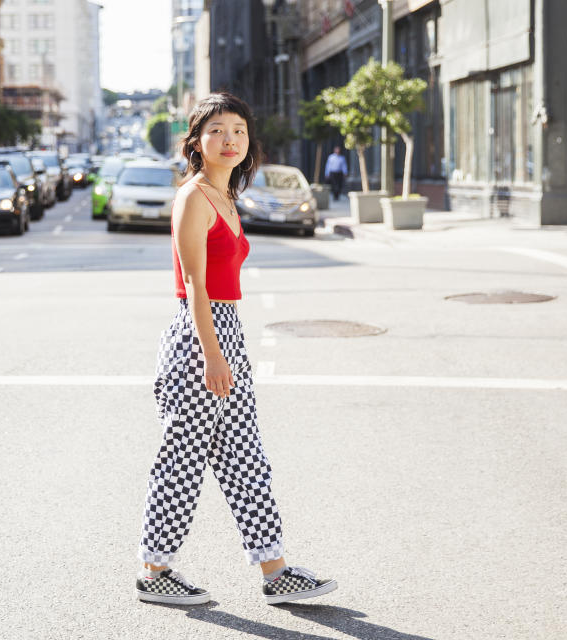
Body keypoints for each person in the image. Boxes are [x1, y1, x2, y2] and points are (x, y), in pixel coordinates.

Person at [135, 92, 337, 607]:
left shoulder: (226, 197)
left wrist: (226, 349)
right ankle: (155, 570)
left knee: (246, 459)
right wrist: (212, 355)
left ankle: (275, 570)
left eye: (239, 131)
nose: (230, 139)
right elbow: (194, 287)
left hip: (226, 335)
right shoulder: (193, 198)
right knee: (181, 459)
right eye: (218, 130)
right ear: (197, 142)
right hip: (199, 341)